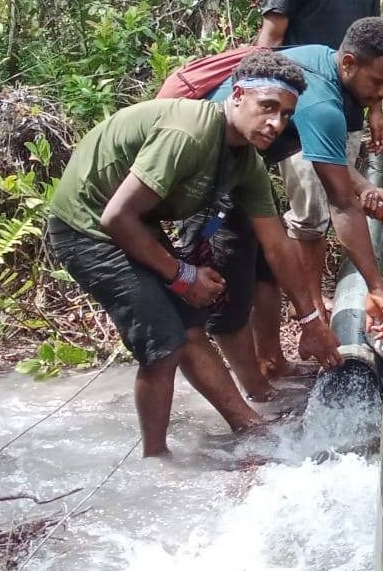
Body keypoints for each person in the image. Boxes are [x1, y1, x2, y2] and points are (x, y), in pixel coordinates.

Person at [47, 52, 343, 456]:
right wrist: (182, 275)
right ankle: (156, 460)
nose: (276, 123)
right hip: (86, 224)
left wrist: (310, 319)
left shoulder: (246, 162)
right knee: (163, 341)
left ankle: (249, 427)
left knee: (188, 327)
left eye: (287, 115)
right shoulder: (188, 133)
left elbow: (276, 244)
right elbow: (116, 216)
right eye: (267, 108)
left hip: (134, 223)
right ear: (237, 96)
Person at [208, 18, 383, 376]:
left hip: (239, 166)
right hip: (206, 174)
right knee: (230, 276)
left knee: (264, 267)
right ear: (348, 63)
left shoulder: (321, 59)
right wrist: (377, 288)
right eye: (377, 82)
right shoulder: (324, 106)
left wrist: (365, 186)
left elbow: (332, 163)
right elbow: (342, 203)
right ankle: (252, 396)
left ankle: (271, 364)